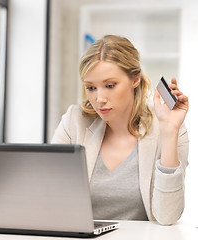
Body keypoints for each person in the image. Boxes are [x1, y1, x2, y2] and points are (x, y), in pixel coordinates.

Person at [51, 35, 189, 225]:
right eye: (91, 88)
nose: (99, 98)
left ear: (135, 80)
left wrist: (170, 130)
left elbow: (167, 216)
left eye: (109, 85)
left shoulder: (168, 127)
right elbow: (51, 197)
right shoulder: (74, 121)